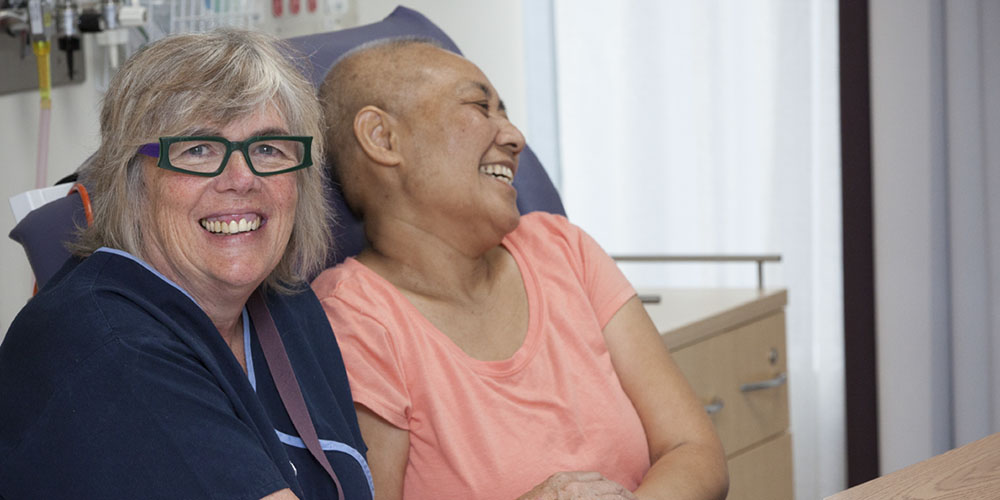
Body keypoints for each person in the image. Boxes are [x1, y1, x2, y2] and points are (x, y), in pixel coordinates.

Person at [311, 39, 728, 500]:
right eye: (479, 106)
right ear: (382, 138)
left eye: (504, 113)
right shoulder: (356, 321)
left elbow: (693, 448)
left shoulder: (564, 250)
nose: (514, 137)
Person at [0, 29, 372, 500]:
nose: (241, 179)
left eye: (267, 149)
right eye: (198, 150)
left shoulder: (289, 307)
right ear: (133, 179)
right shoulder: (105, 345)